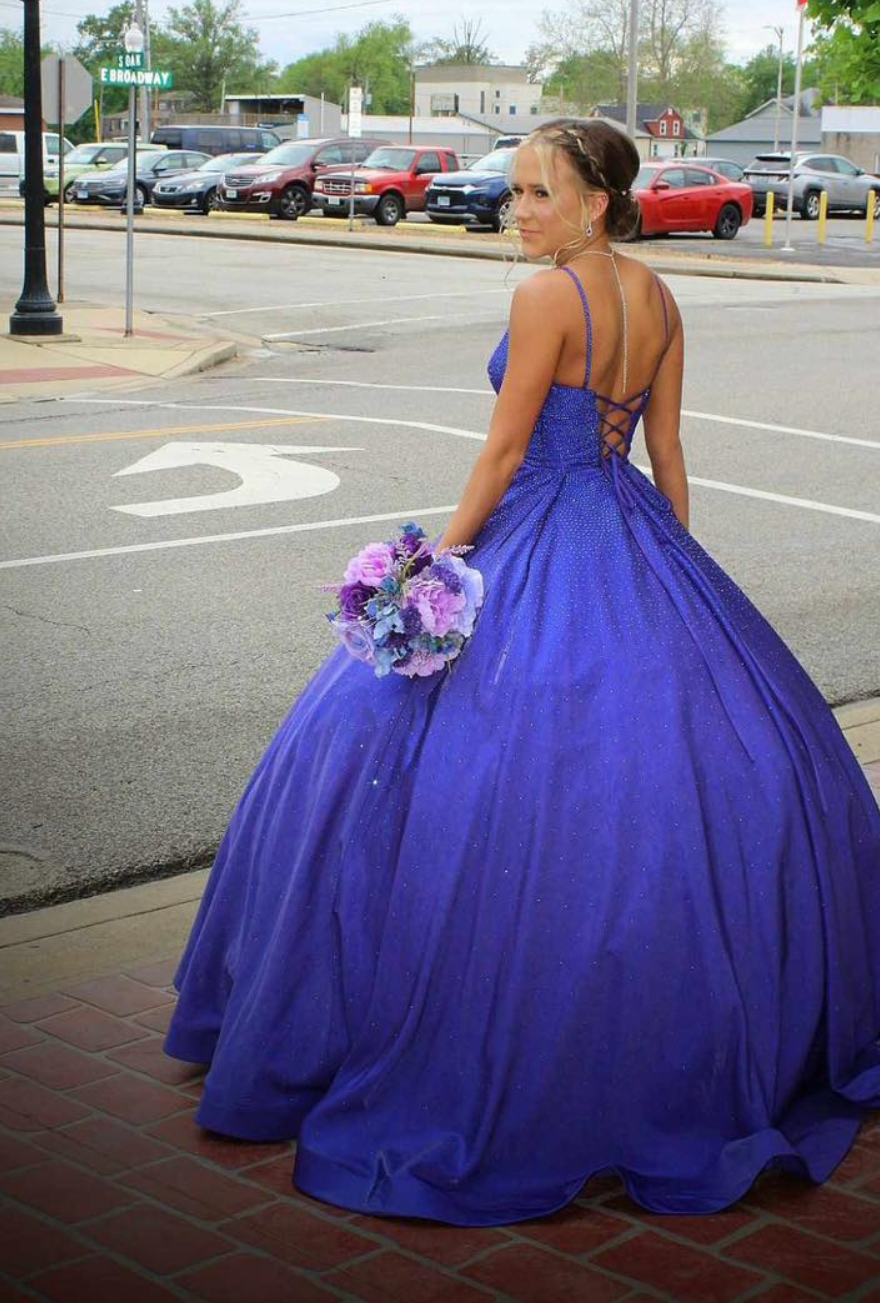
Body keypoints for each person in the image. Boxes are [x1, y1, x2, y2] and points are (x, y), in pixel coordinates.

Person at [164, 118, 880, 1224]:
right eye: (515, 193)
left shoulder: (548, 296)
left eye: (537, 192)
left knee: (436, 762)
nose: (520, 211)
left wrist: (437, 560)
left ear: (595, 200)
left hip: (539, 530)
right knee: (680, 761)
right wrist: (673, 568)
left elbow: (502, 451)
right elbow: (667, 453)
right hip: (633, 528)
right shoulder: (659, 294)